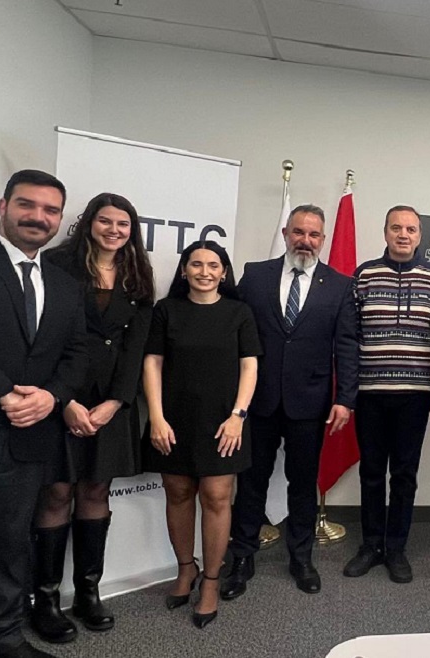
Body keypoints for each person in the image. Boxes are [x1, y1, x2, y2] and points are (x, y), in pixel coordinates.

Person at [0, 170, 87, 658]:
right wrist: (2, 391)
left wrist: (52, 397)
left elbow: (78, 353)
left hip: (28, 440)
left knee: (6, 544)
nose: (38, 217)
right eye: (27, 204)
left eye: (50, 210)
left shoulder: (64, 284)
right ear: (3, 206)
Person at [31, 193, 155, 644]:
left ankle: (88, 593)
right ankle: (45, 599)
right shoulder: (57, 265)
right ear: (89, 223)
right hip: (59, 397)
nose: (114, 230)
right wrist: (62, 400)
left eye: (123, 224)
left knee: (96, 490)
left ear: (131, 231)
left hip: (110, 403)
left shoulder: (138, 274)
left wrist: (116, 402)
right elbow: (41, 335)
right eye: (106, 221)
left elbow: (135, 348)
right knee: (56, 492)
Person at [223, 205, 358, 599]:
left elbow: (347, 345)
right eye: (299, 232)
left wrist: (345, 399)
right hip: (258, 400)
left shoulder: (340, 285)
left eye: (314, 235)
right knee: (252, 482)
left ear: (323, 240)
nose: (306, 241)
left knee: (302, 483)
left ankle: (301, 557)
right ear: (285, 233)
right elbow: (236, 335)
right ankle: (242, 556)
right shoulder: (255, 275)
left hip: (310, 402)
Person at [142, 240, 260, 628]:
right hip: (173, 419)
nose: (204, 272)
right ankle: (185, 569)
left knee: (216, 497)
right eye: (196, 264)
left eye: (213, 265)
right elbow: (153, 363)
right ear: (184, 270)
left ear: (224, 273)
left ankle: (211, 580)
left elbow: (249, 366)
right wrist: (156, 418)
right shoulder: (166, 310)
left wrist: (238, 416)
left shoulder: (239, 312)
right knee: (177, 493)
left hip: (224, 421)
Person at [343, 205, 430, 583]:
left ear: (420, 235)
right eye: (396, 228)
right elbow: (351, 336)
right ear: (385, 232)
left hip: (415, 395)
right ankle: (371, 544)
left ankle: (396, 548)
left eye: (411, 229)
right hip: (370, 393)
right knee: (371, 472)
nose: (403, 235)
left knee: (404, 474)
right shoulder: (364, 275)